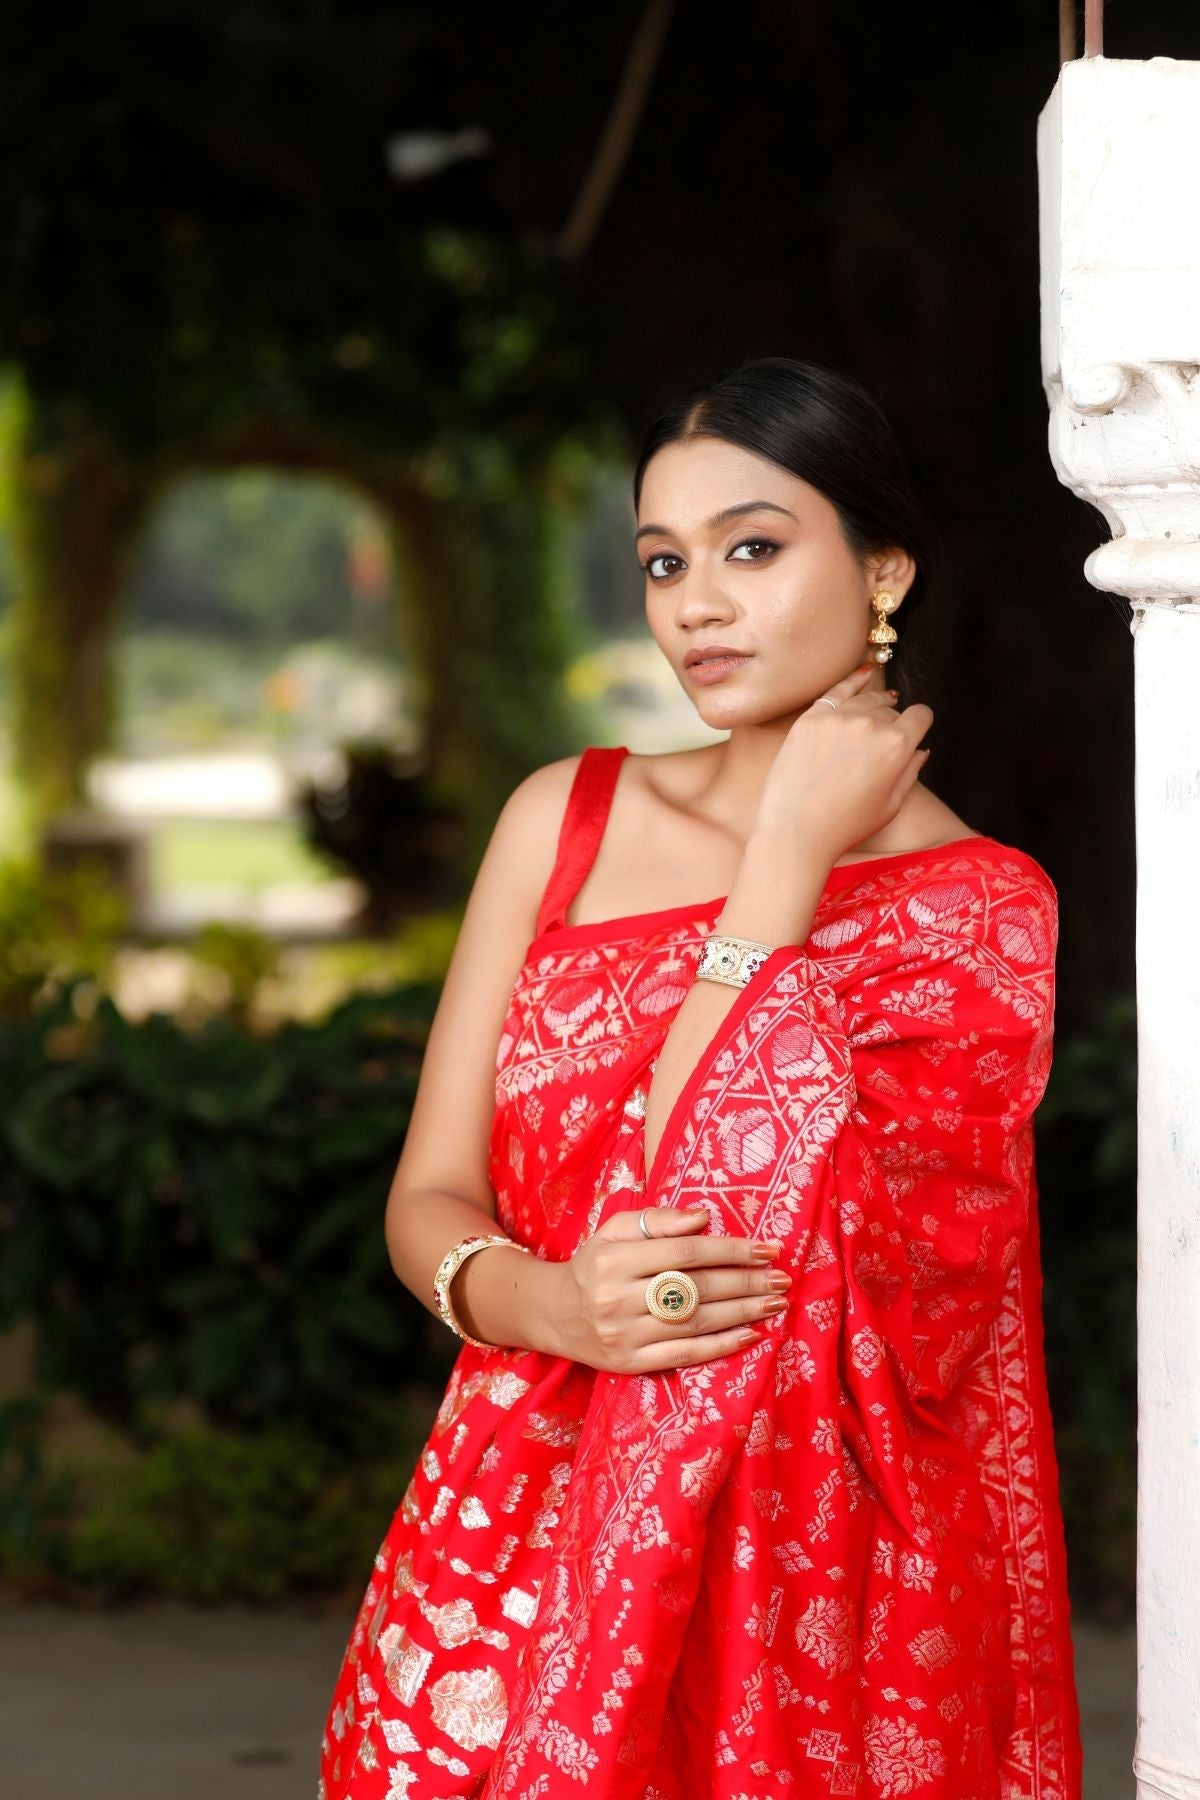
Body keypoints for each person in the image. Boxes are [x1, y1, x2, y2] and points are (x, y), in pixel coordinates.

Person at [318, 356, 1082, 1799]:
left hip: (810, 1602)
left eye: (753, 547)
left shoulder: (977, 913)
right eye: (665, 562)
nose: (698, 606)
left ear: (886, 573)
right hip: (517, 1559)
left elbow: (757, 1217)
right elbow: (429, 1192)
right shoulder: (567, 818)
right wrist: (547, 1302)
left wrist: (782, 867)